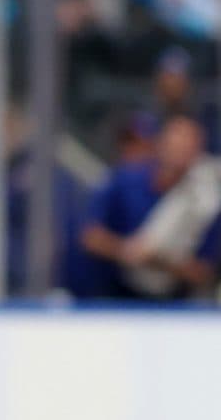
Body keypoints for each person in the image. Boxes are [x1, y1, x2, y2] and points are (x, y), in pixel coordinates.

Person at [77, 112, 221, 301]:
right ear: (161, 145)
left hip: (172, 306)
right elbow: (90, 237)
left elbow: (204, 272)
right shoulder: (125, 180)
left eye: (188, 148)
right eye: (175, 145)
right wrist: (126, 250)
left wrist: (157, 260)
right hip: (111, 298)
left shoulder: (207, 201)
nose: (180, 154)